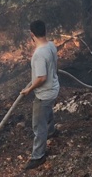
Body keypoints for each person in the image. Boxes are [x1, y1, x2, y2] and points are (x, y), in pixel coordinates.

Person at [20, 20, 60, 170]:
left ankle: (38, 156)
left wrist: (29, 89)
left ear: (32, 34)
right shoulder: (51, 45)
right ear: (45, 30)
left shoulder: (39, 54)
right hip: (54, 88)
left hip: (44, 93)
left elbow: (41, 77)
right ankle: (52, 131)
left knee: (38, 125)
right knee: (48, 111)